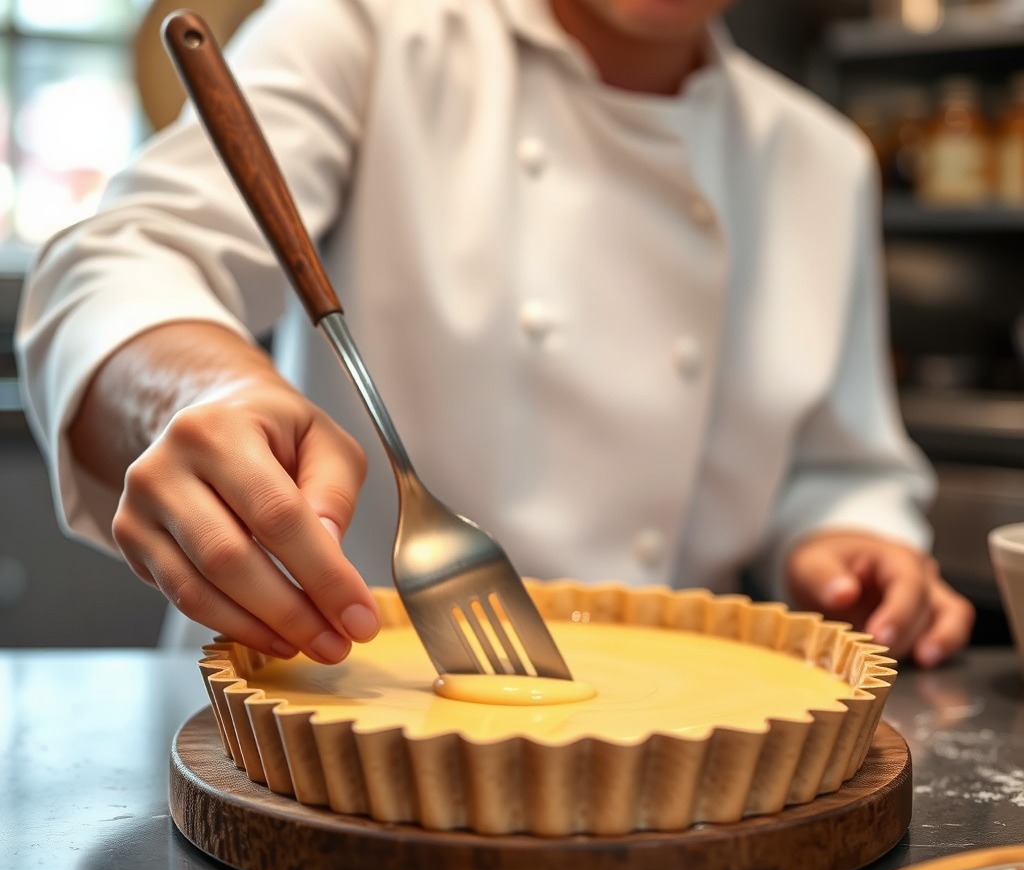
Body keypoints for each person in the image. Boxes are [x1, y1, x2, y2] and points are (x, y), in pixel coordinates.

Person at [15, 0, 974, 668]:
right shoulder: (367, 29)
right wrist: (199, 393)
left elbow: (838, 465)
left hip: (653, 748)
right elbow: (121, 258)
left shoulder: (819, 158)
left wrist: (848, 543)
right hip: (328, 695)